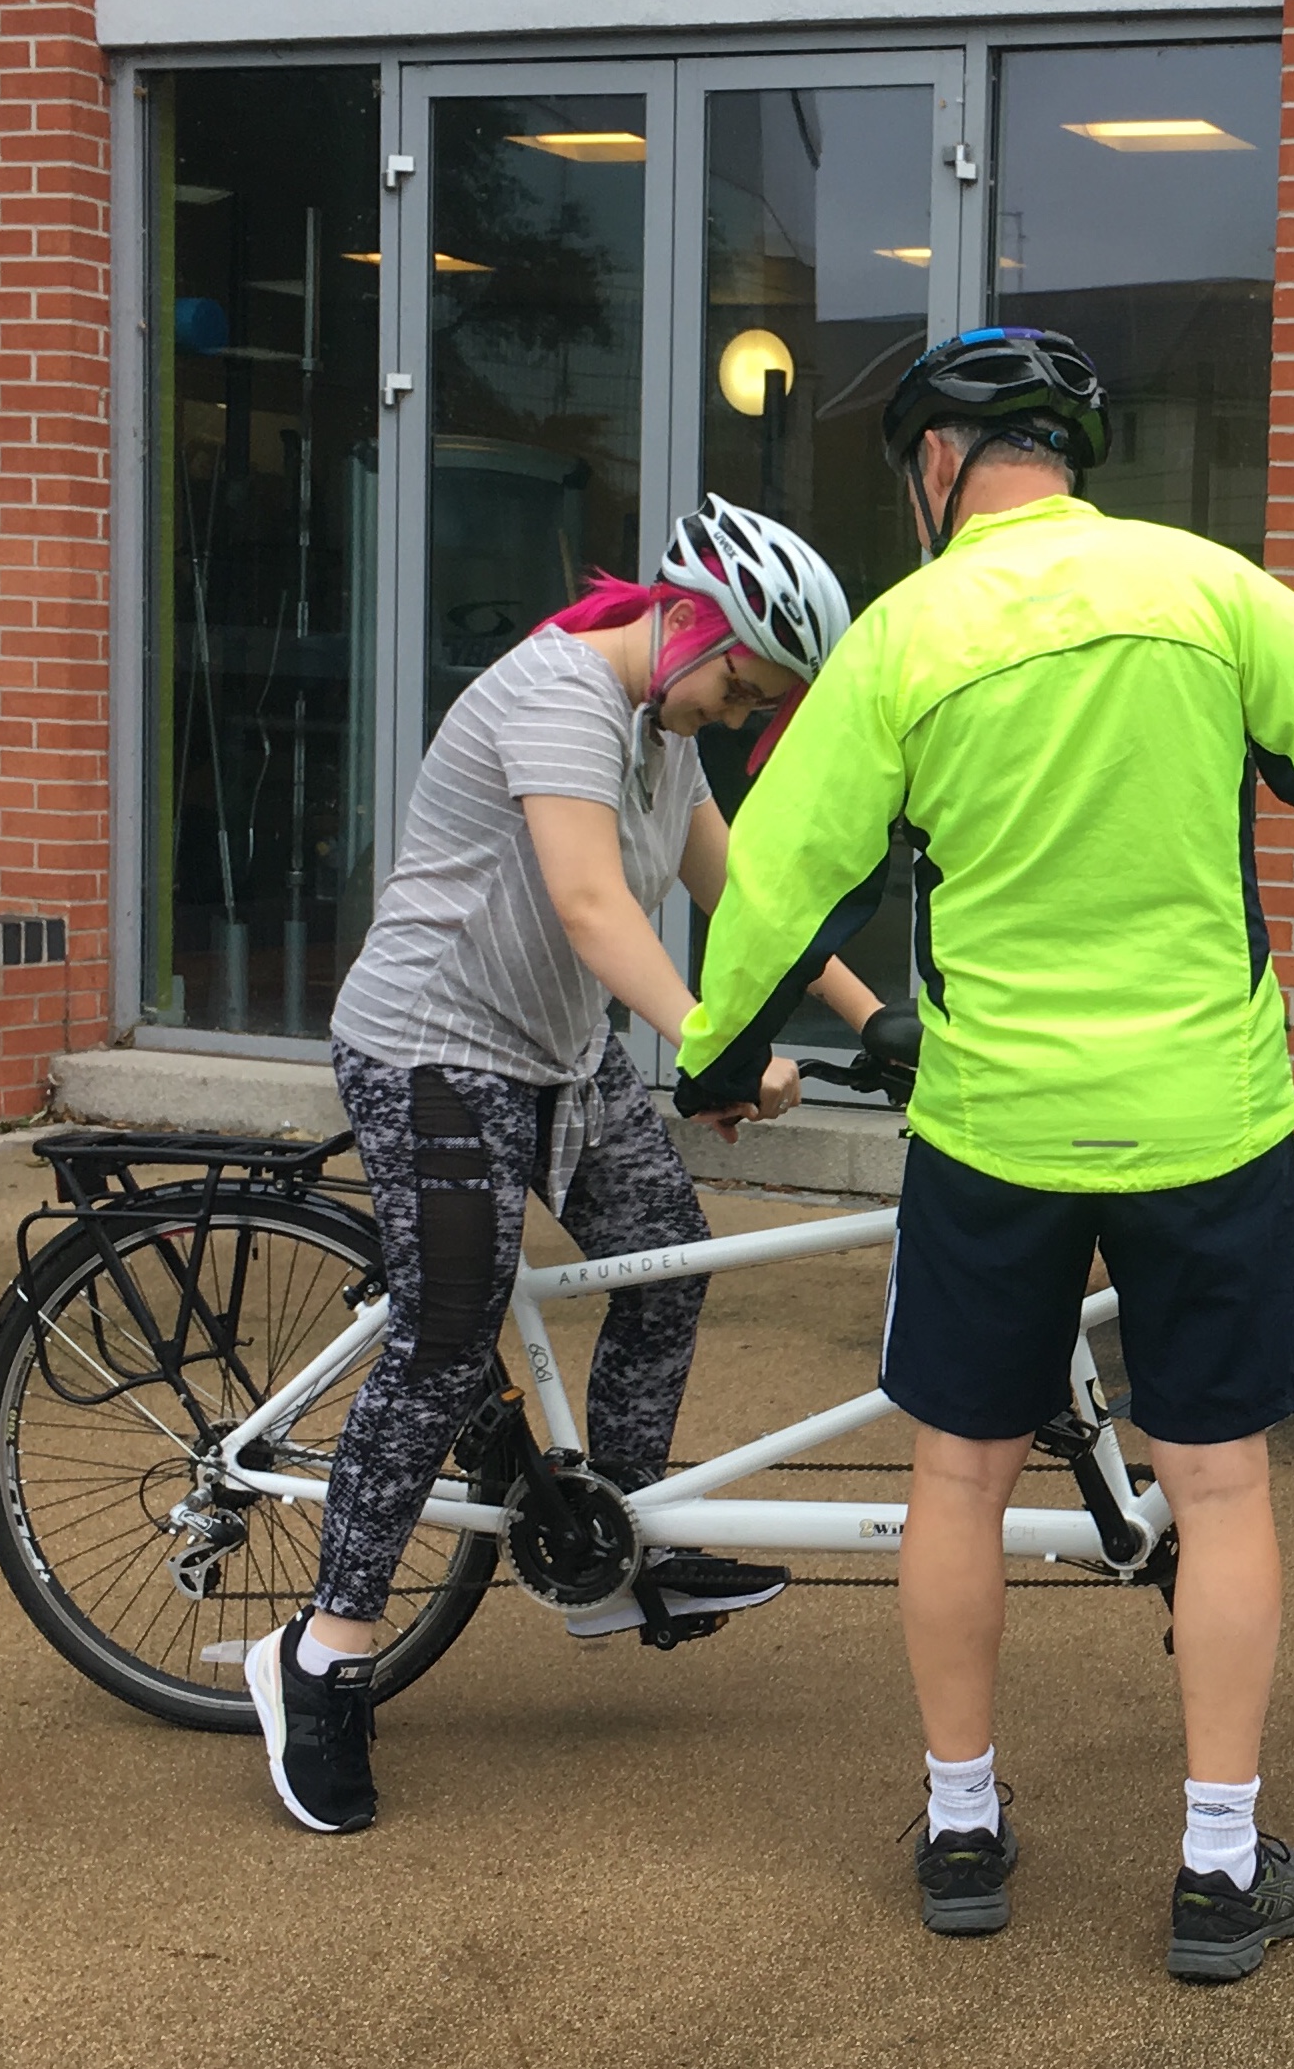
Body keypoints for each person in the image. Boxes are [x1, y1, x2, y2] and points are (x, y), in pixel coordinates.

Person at [675, 327, 1294, 1982]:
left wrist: (719, 1057)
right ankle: (1217, 1872)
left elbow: (783, 877)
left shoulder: (905, 635)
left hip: (994, 1125)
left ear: (939, 464)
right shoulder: (1210, 592)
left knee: (959, 1472)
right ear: (1065, 456)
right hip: (1202, 1117)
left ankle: (963, 1834)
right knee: (1220, 1482)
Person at [246, 497, 880, 1835]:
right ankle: (323, 1654)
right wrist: (710, 1045)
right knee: (445, 1341)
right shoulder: (558, 696)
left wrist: (876, 1022)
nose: (735, 714)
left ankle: (615, 1542)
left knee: (665, 1265)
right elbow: (592, 904)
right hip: (433, 1047)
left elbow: (748, 897)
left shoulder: (663, 735)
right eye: (739, 686)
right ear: (688, 620)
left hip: (558, 1057)